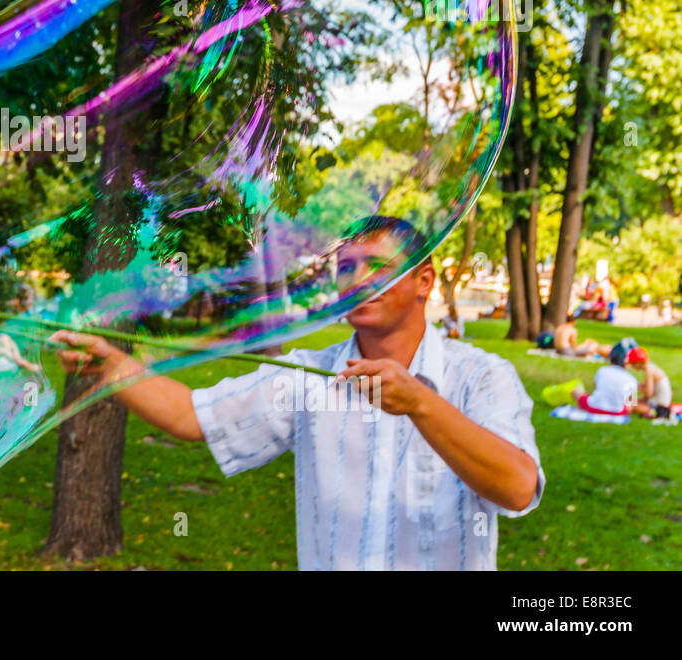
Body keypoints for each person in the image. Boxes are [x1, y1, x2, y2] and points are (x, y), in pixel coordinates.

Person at [53, 215, 542, 570]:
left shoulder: (482, 377)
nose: (358, 279)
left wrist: (420, 404)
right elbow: (190, 415)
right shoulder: (308, 376)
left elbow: (518, 488)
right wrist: (114, 368)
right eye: (347, 267)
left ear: (424, 283)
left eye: (377, 265)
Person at [578, 342, 639, 416]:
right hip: (618, 412)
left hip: (593, 408)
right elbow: (631, 404)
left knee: (576, 392)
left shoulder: (602, 370)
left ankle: (581, 407)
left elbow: (595, 389)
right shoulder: (632, 379)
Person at [626, 347, 674, 420]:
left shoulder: (649, 371)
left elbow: (648, 394)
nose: (633, 366)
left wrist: (636, 386)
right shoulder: (651, 368)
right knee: (630, 401)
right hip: (658, 402)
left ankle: (651, 412)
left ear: (639, 362)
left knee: (630, 404)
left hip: (660, 407)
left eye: (633, 364)